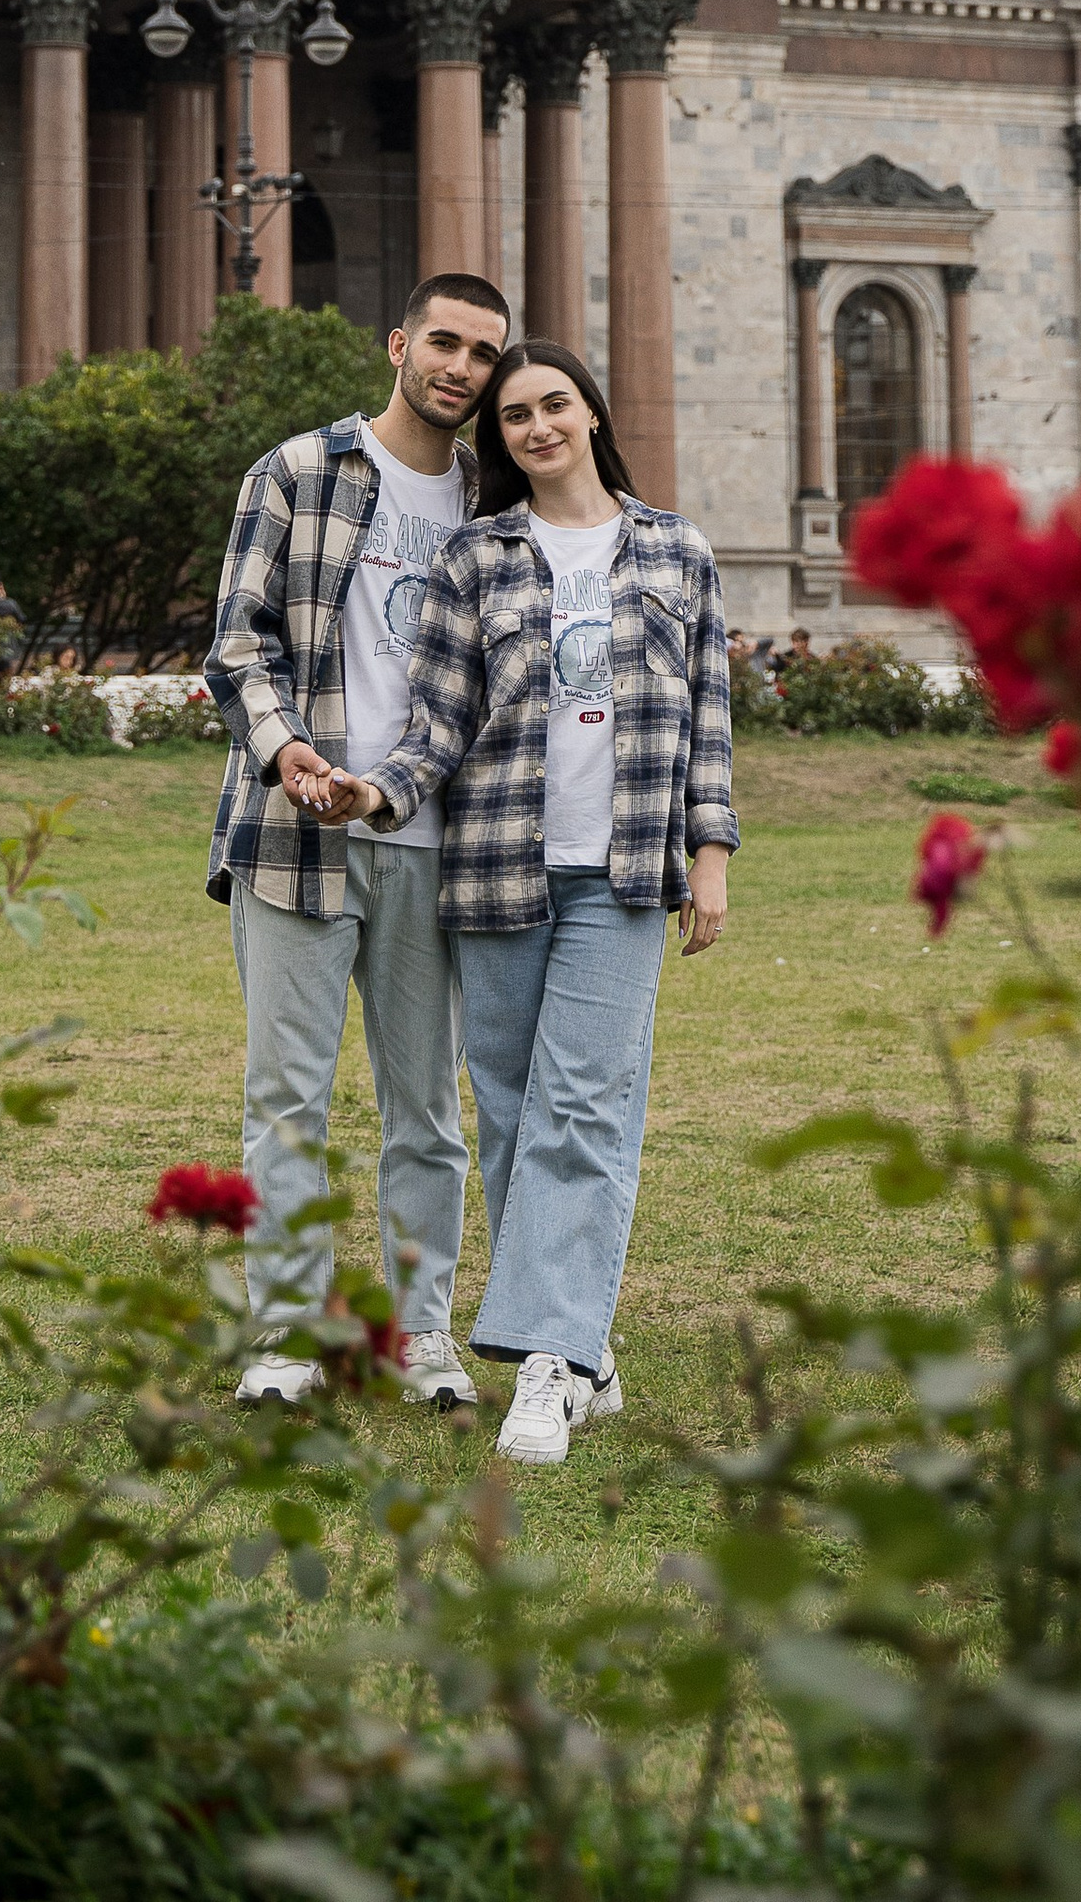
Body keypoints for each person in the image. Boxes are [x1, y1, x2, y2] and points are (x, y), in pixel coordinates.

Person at [324, 338, 736, 1468]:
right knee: (508, 1113)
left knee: (587, 1108)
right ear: (499, 441)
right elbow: (438, 724)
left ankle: (544, 1368)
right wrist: (377, 789)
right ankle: (585, 1349)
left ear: (592, 413)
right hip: (499, 867)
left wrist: (711, 854)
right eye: (514, 417)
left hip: (624, 873)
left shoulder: (677, 552)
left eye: (555, 404)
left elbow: (708, 721)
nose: (538, 427)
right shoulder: (475, 557)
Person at [203, 272, 513, 1408]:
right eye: (444, 342)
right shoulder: (298, 471)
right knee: (285, 1100)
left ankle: (417, 1336)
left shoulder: (492, 502)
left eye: (483, 354)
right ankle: (282, 1339)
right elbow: (238, 644)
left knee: (426, 1110)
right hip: (292, 835)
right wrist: (290, 756)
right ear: (398, 344)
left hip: (434, 843)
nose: (461, 369)